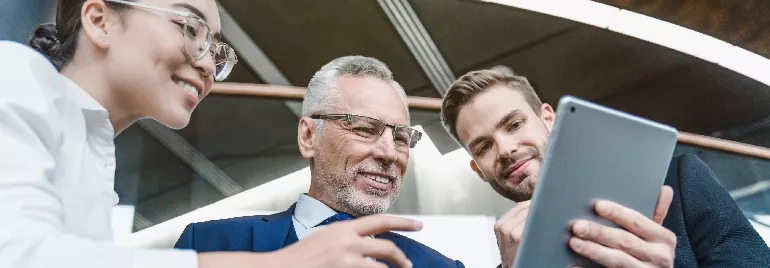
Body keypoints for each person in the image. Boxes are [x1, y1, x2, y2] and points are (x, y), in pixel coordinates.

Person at [0, 1, 422, 267]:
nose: (207, 65)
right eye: (190, 29)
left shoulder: (94, 167)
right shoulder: (14, 75)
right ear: (99, 20)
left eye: (216, 50)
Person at [440, 69, 770, 267]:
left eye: (513, 124)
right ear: (477, 169)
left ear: (548, 118)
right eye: (483, 146)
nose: (506, 149)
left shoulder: (678, 184)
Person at [173, 56, 465, 267]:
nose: (389, 153)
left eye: (401, 137)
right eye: (364, 129)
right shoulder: (207, 244)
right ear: (309, 137)